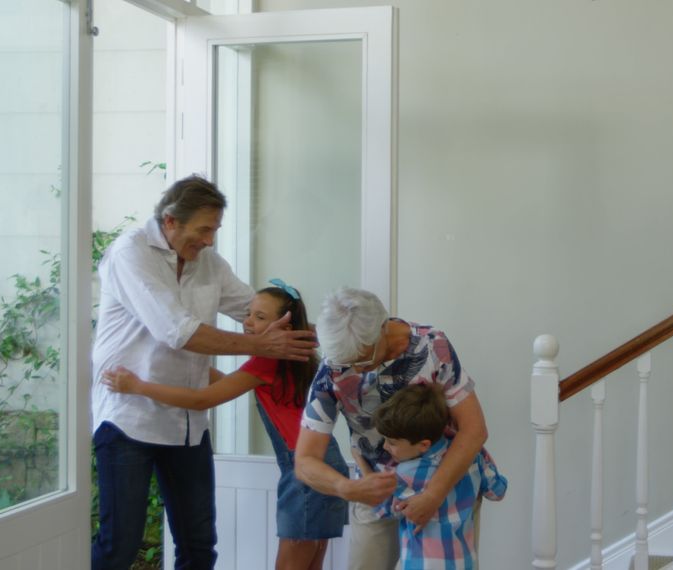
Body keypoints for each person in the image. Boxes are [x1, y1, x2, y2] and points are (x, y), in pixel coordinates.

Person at [91, 175, 317, 570]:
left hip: (188, 425)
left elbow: (253, 309)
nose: (210, 240)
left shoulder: (207, 262)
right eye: (204, 229)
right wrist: (261, 345)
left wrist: (294, 326)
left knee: (199, 546)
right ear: (170, 221)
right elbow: (175, 330)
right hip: (129, 416)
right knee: (119, 545)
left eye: (214, 230)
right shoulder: (130, 253)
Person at [101, 283, 348, 570]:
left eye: (260, 317)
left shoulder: (266, 361)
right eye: (249, 313)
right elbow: (229, 383)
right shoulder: (296, 358)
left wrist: (138, 386)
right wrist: (180, 368)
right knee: (311, 562)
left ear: (285, 325)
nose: (248, 322)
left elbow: (201, 400)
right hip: (327, 462)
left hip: (305, 470)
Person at [294, 287, 493, 570]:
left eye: (362, 360)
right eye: (347, 363)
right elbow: (305, 461)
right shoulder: (332, 369)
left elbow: (474, 429)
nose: (356, 370)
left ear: (383, 329)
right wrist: (347, 488)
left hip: (446, 485)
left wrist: (433, 495)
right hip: (377, 487)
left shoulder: (432, 346)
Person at [371, 383, 506, 570]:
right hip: (464, 563)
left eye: (392, 442)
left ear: (424, 444)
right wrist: (481, 454)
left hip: (419, 564)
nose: (385, 447)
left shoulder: (402, 475)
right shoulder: (473, 458)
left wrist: (360, 461)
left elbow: (382, 511)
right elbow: (498, 491)